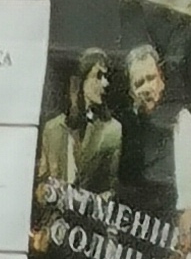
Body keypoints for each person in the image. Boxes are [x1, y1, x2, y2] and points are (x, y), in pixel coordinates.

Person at [122, 39, 191, 259]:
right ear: (131, 91)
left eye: (150, 78)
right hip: (133, 237)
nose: (146, 88)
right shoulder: (129, 127)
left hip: (166, 238)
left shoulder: (180, 120)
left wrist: (179, 256)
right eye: (139, 83)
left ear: (161, 78)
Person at [36, 46, 125, 226]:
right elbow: (41, 182)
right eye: (98, 76)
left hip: (90, 229)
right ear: (80, 81)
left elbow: (112, 188)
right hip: (55, 227)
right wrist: (44, 193)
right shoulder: (52, 129)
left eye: (106, 77)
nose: (105, 83)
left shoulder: (113, 130)